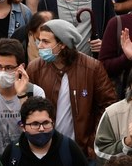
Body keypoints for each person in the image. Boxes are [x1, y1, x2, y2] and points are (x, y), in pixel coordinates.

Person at [26, 19, 118, 157]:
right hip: (45, 149)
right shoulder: (34, 69)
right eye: (39, 40)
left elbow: (108, 106)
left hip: (82, 151)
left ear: (62, 44)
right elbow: (27, 108)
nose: (39, 46)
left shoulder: (92, 68)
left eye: (45, 41)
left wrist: (93, 141)